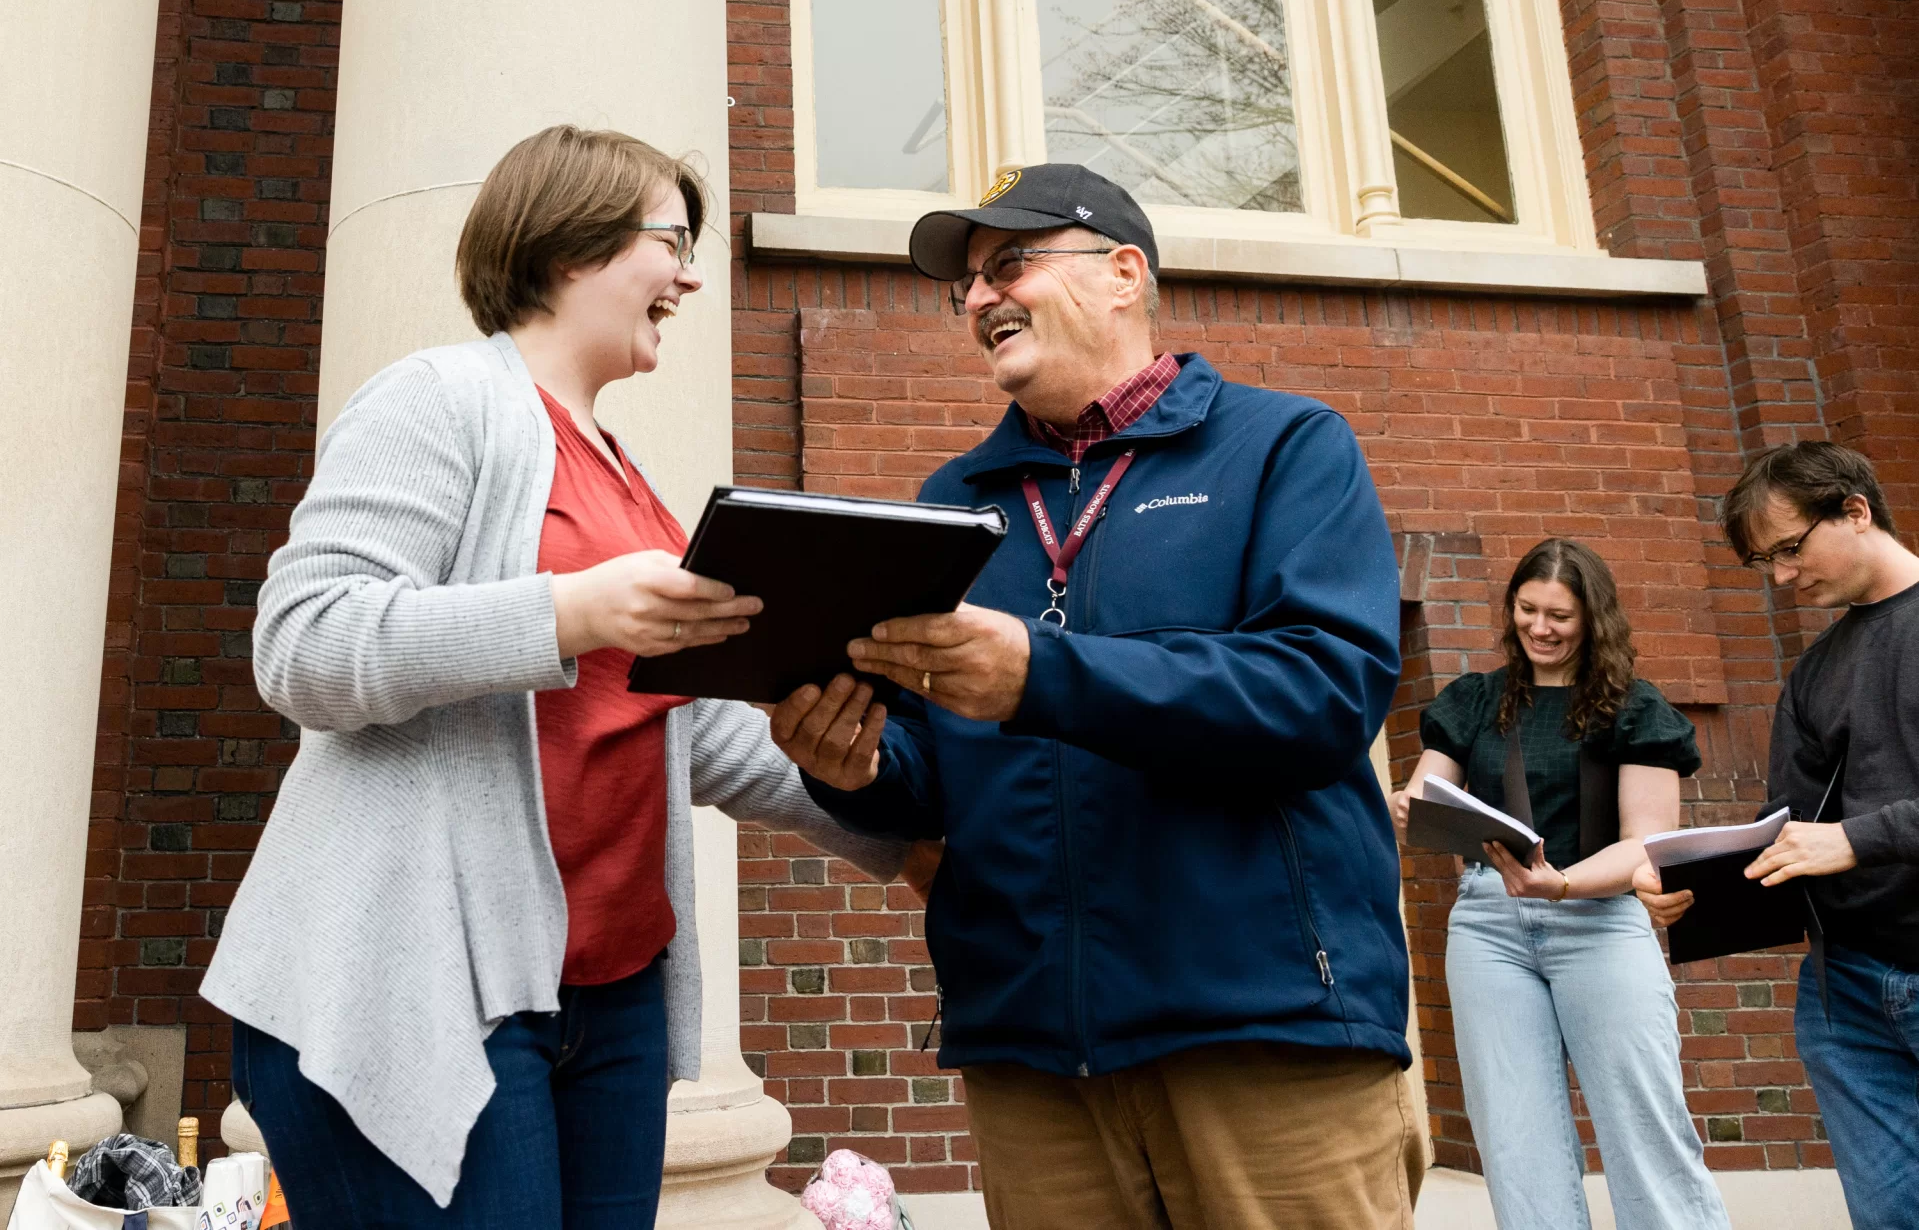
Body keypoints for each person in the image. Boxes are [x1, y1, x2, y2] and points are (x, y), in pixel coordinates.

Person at [200, 126, 904, 1229]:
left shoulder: (628, 476)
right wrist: (569, 611)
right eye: (670, 241)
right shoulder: (433, 399)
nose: (688, 275)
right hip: (426, 986)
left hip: (610, 1000)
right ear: (570, 245)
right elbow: (302, 645)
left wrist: (896, 830)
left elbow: (675, 726)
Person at [769, 163, 1418, 1230]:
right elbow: (933, 777)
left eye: (1008, 264)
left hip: (1262, 1038)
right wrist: (858, 767)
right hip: (1031, 1059)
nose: (977, 299)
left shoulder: (1283, 447)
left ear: (1123, 274)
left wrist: (1041, 674)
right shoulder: (950, 505)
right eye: (965, 286)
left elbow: (1322, 694)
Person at [1389, 538, 1729, 1230]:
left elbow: (1648, 843)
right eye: (1526, 609)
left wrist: (1563, 884)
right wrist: (1408, 802)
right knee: (1515, 1138)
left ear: (1592, 619)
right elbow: (1427, 792)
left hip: (1600, 920)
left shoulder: (1634, 708)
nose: (1539, 627)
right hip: (1487, 926)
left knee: (1644, 1125)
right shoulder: (1475, 700)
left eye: (1559, 615)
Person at [1634, 442, 1919, 1228]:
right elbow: (1785, 831)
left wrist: (1858, 837)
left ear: (1855, 510)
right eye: (1765, 562)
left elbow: (1839, 837)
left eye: (1789, 549)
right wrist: (1695, 888)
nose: (1783, 578)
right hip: (1847, 994)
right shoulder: (1813, 670)